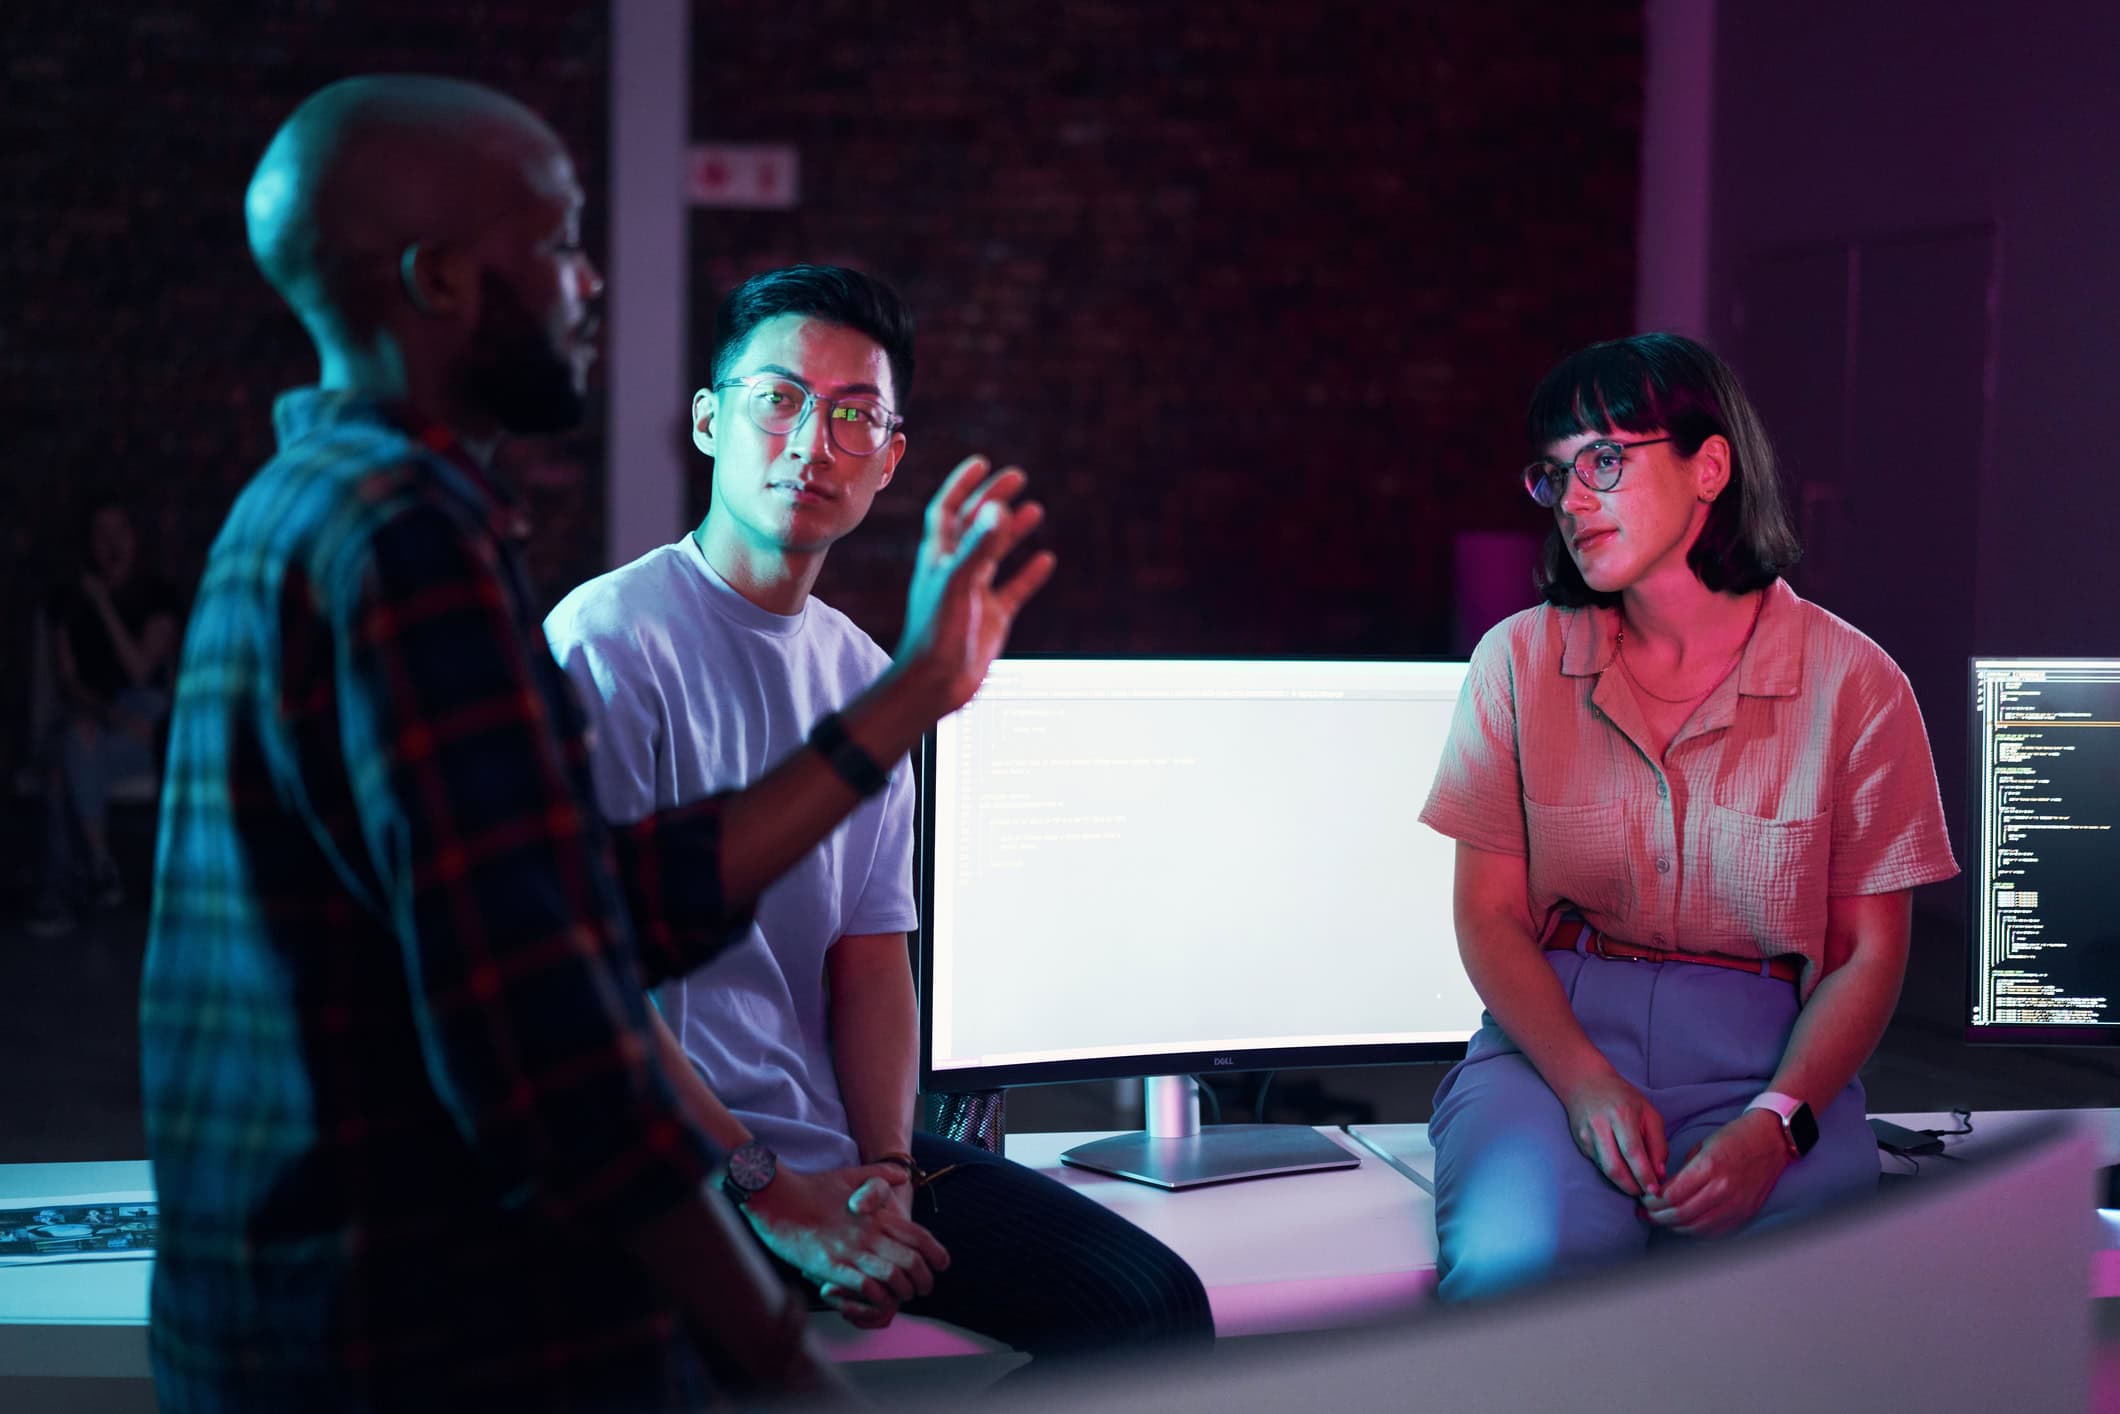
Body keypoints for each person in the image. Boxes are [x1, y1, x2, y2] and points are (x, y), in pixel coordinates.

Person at [140, 77, 1053, 1411]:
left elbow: (587, 904)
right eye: (561, 243)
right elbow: (551, 1028)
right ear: (443, 279)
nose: (590, 284)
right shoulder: (413, 546)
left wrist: (904, 697)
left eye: (856, 414)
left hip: (311, 1293)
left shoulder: (318, 504)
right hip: (393, 1315)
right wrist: (769, 1334)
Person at [545, 263, 1213, 1364]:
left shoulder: (867, 668)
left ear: (889, 458)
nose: (813, 441)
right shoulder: (611, 640)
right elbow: (589, 983)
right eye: (779, 400)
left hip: (830, 1150)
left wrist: (889, 1171)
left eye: (853, 414)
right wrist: (764, 1189)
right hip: (669, 1159)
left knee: (1150, 1307)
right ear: (710, 423)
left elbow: (868, 957)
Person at [1418, 332, 1957, 1302]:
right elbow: (1487, 915)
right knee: (1519, 1274)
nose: (1572, 498)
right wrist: (1581, 1079)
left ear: (1709, 465)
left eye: (1605, 461)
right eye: (1553, 475)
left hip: (1770, 1052)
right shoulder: (1517, 661)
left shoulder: (1856, 685)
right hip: (1552, 1040)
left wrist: (1777, 1122)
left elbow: (1863, 958)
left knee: (1793, 1307)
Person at [27, 498, 181, 936]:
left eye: (120, 533)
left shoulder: (158, 594)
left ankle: (59, 893)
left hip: (146, 726)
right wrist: (105, 714)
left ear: (135, 539)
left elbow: (140, 669)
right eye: (101, 534)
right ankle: (99, 866)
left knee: (65, 764)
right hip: (97, 718)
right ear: (88, 544)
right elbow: (68, 681)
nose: (111, 544)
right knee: (71, 747)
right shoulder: (67, 599)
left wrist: (105, 608)